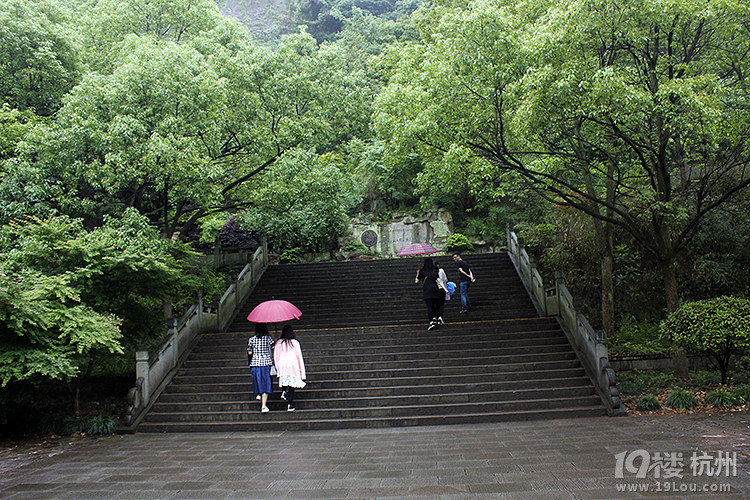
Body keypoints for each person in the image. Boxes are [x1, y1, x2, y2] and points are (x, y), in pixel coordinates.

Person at [274, 324, 307, 412]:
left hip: (282, 364)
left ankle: (284, 391)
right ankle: (290, 404)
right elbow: (299, 357)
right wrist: (302, 373)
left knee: (284, 379)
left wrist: (278, 369)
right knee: (292, 386)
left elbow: (275, 357)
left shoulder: (279, 343)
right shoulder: (295, 342)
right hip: (293, 365)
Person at [247, 323, 274, 413]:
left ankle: (258, 393)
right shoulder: (268, 338)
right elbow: (274, 347)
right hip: (266, 363)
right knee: (265, 384)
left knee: (258, 380)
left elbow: (249, 352)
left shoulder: (252, 339)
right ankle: (263, 406)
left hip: (255, 363)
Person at [415, 257, 444, 331]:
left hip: (427, 290)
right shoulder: (435, 270)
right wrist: (445, 289)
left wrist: (417, 274)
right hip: (435, 289)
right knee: (435, 305)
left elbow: (416, 281)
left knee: (429, 306)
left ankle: (432, 321)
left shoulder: (422, 270)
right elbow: (439, 280)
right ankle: (435, 318)